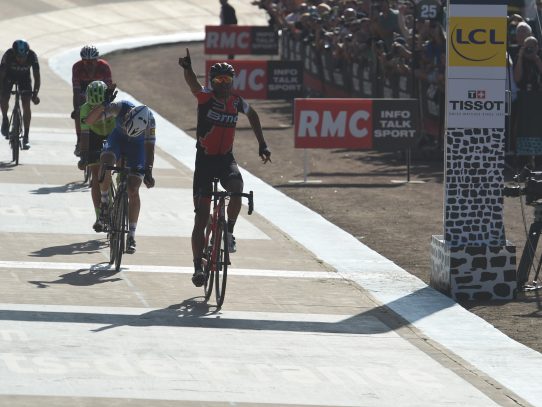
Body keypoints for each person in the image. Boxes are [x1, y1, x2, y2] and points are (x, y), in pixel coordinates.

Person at [178, 48, 271, 287]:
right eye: (219, 80)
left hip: (225, 159)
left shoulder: (236, 101)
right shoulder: (206, 97)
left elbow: (254, 116)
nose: (223, 84)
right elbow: (193, 86)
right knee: (201, 218)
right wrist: (188, 69)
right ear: (212, 82)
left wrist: (262, 144)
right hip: (205, 162)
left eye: (227, 80)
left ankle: (228, 231)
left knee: (237, 188)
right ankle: (198, 266)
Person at [86, 97, 156, 254]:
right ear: (127, 116)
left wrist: (148, 170)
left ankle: (131, 235)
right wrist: (103, 105)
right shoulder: (120, 107)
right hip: (117, 140)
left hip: (137, 148)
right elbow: (89, 120)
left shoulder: (150, 121)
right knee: (105, 164)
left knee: (133, 189)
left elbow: (149, 148)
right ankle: (104, 204)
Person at [77, 81, 117, 232]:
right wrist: (84, 157)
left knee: (121, 165)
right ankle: (99, 215)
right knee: (95, 175)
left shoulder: (113, 106)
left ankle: (120, 191)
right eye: (92, 106)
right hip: (94, 137)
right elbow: (85, 136)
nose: (94, 109)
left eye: (98, 106)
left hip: (114, 135)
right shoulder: (84, 109)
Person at [72, 45, 113, 156]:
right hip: (83, 94)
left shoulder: (104, 67)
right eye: (86, 62)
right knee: (79, 113)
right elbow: (76, 91)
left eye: (92, 62)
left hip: (100, 94)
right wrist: (76, 109)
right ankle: (79, 140)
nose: (89, 65)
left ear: (97, 60)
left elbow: (109, 89)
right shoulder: (77, 68)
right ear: (82, 61)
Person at [0, 39, 40, 150]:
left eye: (23, 57)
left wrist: (35, 94)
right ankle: (4, 119)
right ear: (13, 53)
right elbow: (1, 75)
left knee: (26, 104)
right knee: (3, 97)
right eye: (18, 57)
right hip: (9, 77)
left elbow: (37, 77)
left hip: (24, 79)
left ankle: (26, 136)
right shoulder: (8, 55)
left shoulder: (32, 56)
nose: (21, 59)